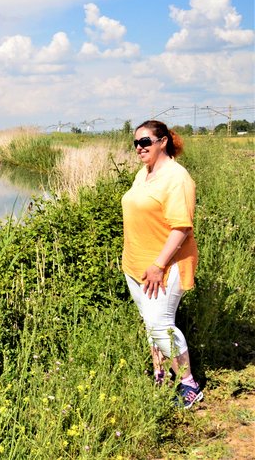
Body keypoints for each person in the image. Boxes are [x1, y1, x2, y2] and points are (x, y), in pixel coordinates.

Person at [121, 120, 202, 408]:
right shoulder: (144, 174)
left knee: (160, 325)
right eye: (136, 143)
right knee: (150, 325)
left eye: (145, 142)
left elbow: (181, 228)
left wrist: (158, 265)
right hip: (136, 265)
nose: (139, 148)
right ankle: (161, 373)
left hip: (163, 267)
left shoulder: (177, 178)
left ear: (163, 141)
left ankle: (188, 382)